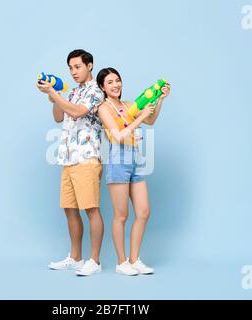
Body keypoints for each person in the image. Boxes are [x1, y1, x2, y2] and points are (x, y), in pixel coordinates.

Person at [96, 67, 170, 276]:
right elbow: (118, 135)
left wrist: (160, 99)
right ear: (102, 86)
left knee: (143, 211)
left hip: (136, 159)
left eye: (117, 80)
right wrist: (141, 116)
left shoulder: (129, 104)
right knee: (121, 215)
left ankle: (134, 259)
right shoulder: (103, 108)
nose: (115, 85)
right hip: (118, 160)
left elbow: (151, 120)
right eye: (109, 82)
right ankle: (121, 262)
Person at [36, 49, 105, 276]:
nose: (74, 72)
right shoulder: (74, 92)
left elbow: (77, 112)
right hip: (68, 158)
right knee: (70, 209)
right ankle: (76, 258)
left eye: (78, 67)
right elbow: (59, 116)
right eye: (71, 68)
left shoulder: (96, 91)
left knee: (91, 210)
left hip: (86, 158)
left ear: (90, 66)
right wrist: (54, 94)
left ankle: (94, 261)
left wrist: (56, 97)